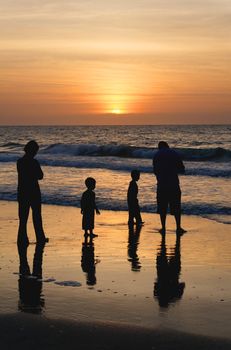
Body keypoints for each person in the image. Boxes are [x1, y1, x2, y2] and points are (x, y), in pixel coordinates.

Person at [17, 140, 48, 245]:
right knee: (37, 216)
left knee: (23, 217)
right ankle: (40, 237)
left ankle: (22, 238)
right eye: (35, 151)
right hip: (34, 191)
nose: (36, 153)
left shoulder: (20, 162)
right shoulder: (34, 162)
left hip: (22, 191)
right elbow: (40, 176)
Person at [153, 141, 186, 235]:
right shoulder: (174, 153)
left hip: (162, 185)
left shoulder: (156, 155)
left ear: (159, 147)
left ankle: (163, 228)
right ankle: (178, 227)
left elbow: (155, 170)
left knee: (162, 207)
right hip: (173, 184)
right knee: (176, 207)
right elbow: (182, 169)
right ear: (167, 146)